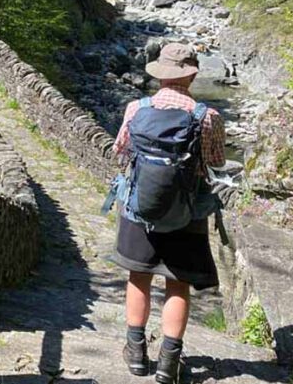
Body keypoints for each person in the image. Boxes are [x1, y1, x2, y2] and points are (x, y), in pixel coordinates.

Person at [111, 42, 226, 383]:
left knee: (139, 277)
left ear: (159, 72)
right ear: (192, 74)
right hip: (187, 213)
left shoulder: (137, 107)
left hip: (139, 210)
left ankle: (135, 355)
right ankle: (168, 364)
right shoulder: (207, 117)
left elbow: (120, 150)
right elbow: (216, 163)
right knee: (178, 284)